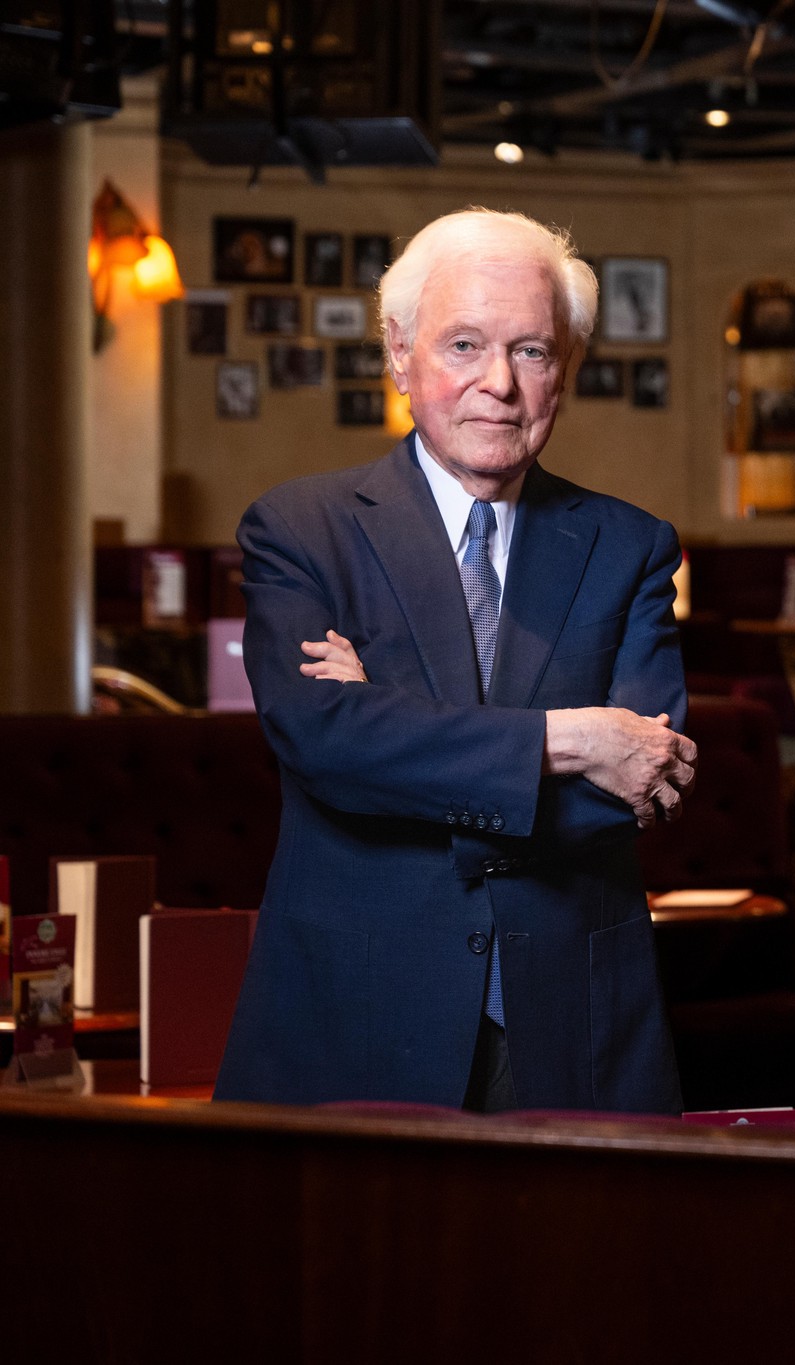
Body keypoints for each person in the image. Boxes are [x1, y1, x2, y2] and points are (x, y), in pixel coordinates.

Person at [215, 209, 696, 1114]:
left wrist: (398, 740)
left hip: (573, 1027)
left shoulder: (633, 546)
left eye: (533, 351)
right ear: (399, 355)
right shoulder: (300, 530)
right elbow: (326, 746)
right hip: (356, 1020)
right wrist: (568, 737)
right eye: (465, 344)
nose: (499, 385)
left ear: (569, 368)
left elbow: (637, 784)